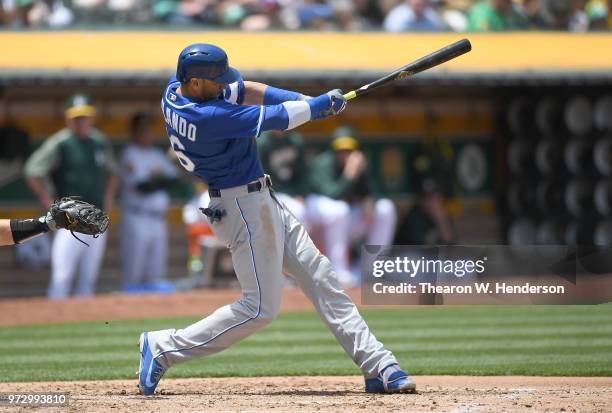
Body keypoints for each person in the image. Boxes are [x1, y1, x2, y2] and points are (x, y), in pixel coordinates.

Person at [138, 43, 415, 396]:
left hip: (260, 201)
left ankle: (379, 365)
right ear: (194, 82)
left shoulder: (174, 92)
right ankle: (163, 348)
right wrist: (315, 107)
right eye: (216, 81)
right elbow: (277, 118)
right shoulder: (208, 118)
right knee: (259, 310)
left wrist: (308, 101)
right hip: (242, 209)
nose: (224, 86)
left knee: (320, 276)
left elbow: (250, 89)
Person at [24, 94, 118, 300]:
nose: (81, 121)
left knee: (88, 279)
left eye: (85, 117)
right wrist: (50, 204)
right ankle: (52, 322)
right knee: (62, 277)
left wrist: (108, 201)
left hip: (96, 217)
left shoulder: (98, 141)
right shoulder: (61, 142)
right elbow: (33, 171)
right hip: (69, 218)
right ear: (68, 119)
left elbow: (113, 172)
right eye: (77, 118)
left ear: (91, 118)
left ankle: (84, 325)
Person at [308, 130, 397, 286]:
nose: (345, 154)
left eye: (349, 150)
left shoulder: (359, 165)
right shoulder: (323, 163)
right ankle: (339, 272)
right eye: (341, 150)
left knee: (385, 208)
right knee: (339, 209)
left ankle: (372, 270)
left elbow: (373, 192)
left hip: (346, 225)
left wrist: (369, 199)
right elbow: (333, 194)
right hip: (319, 230)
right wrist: (350, 174)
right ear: (333, 150)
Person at [119, 112, 179, 294]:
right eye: (141, 130)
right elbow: (141, 186)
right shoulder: (129, 154)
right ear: (134, 132)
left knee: (156, 273)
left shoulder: (156, 155)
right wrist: (158, 179)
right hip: (137, 217)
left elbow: (173, 180)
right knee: (134, 274)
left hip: (158, 219)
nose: (146, 133)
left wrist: (155, 179)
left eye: (148, 130)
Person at [257, 130, 308, 224]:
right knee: (299, 211)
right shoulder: (262, 143)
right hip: (272, 192)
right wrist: (292, 194)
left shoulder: (296, 141)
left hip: (295, 191)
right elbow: (263, 177)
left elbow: (303, 173)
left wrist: (301, 193)